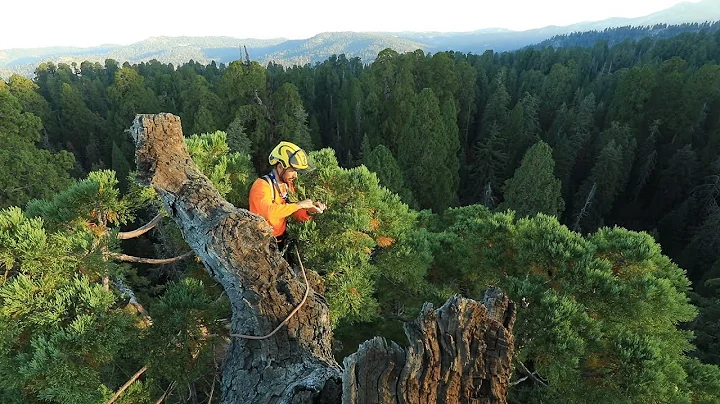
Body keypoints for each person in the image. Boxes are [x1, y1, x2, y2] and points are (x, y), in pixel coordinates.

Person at [249, 141, 326, 253]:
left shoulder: (287, 186)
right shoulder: (261, 185)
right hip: (260, 244)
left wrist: (309, 211)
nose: (295, 175)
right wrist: (298, 205)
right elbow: (269, 213)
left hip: (279, 242)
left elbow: (295, 214)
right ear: (280, 167)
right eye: (293, 171)